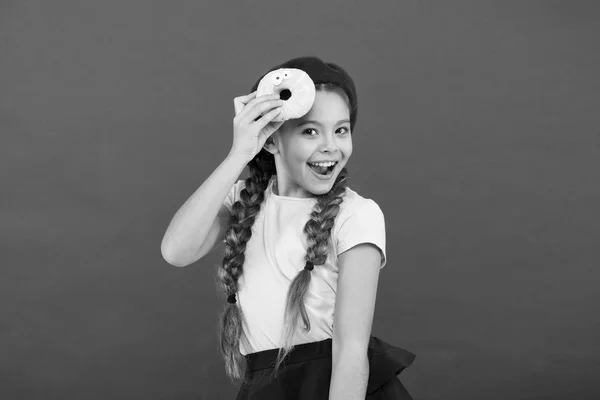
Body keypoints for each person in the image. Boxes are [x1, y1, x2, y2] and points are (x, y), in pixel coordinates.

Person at [161, 56, 415, 399]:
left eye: (341, 129)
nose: (330, 146)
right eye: (310, 131)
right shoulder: (242, 201)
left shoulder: (356, 215)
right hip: (268, 388)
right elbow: (176, 251)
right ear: (271, 140)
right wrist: (239, 154)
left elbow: (351, 351)